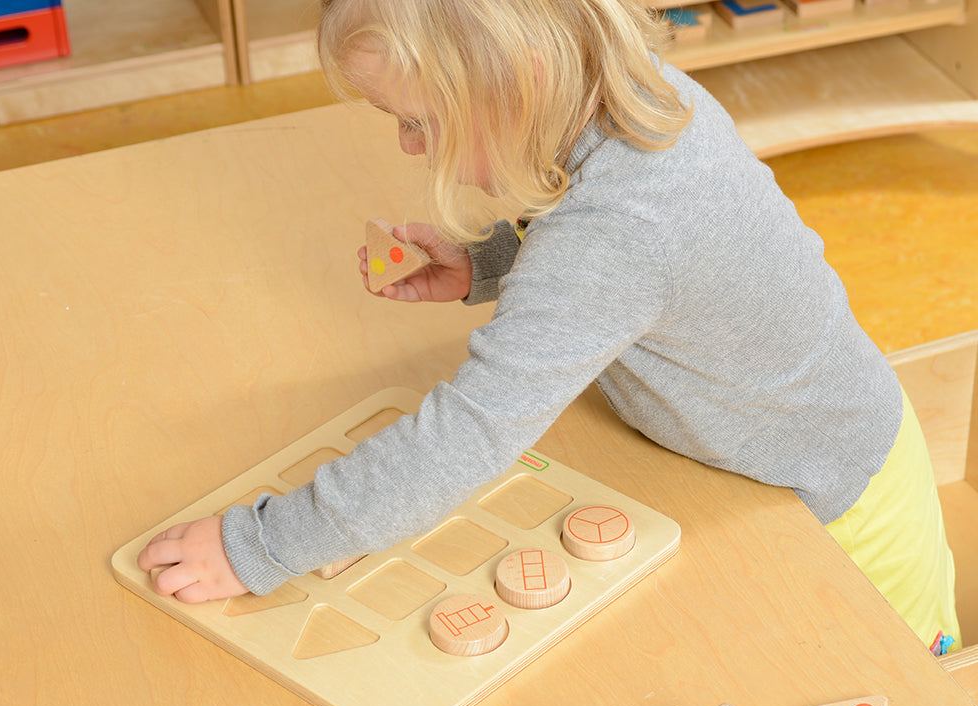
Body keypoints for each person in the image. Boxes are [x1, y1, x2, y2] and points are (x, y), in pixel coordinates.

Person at [137, 0, 960, 654]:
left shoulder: (619, 232)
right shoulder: (641, 94)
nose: (407, 144)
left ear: (521, 83)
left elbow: (466, 436)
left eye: (421, 120)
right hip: (833, 442)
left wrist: (258, 547)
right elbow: (617, 258)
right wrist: (494, 265)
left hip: (844, 519)